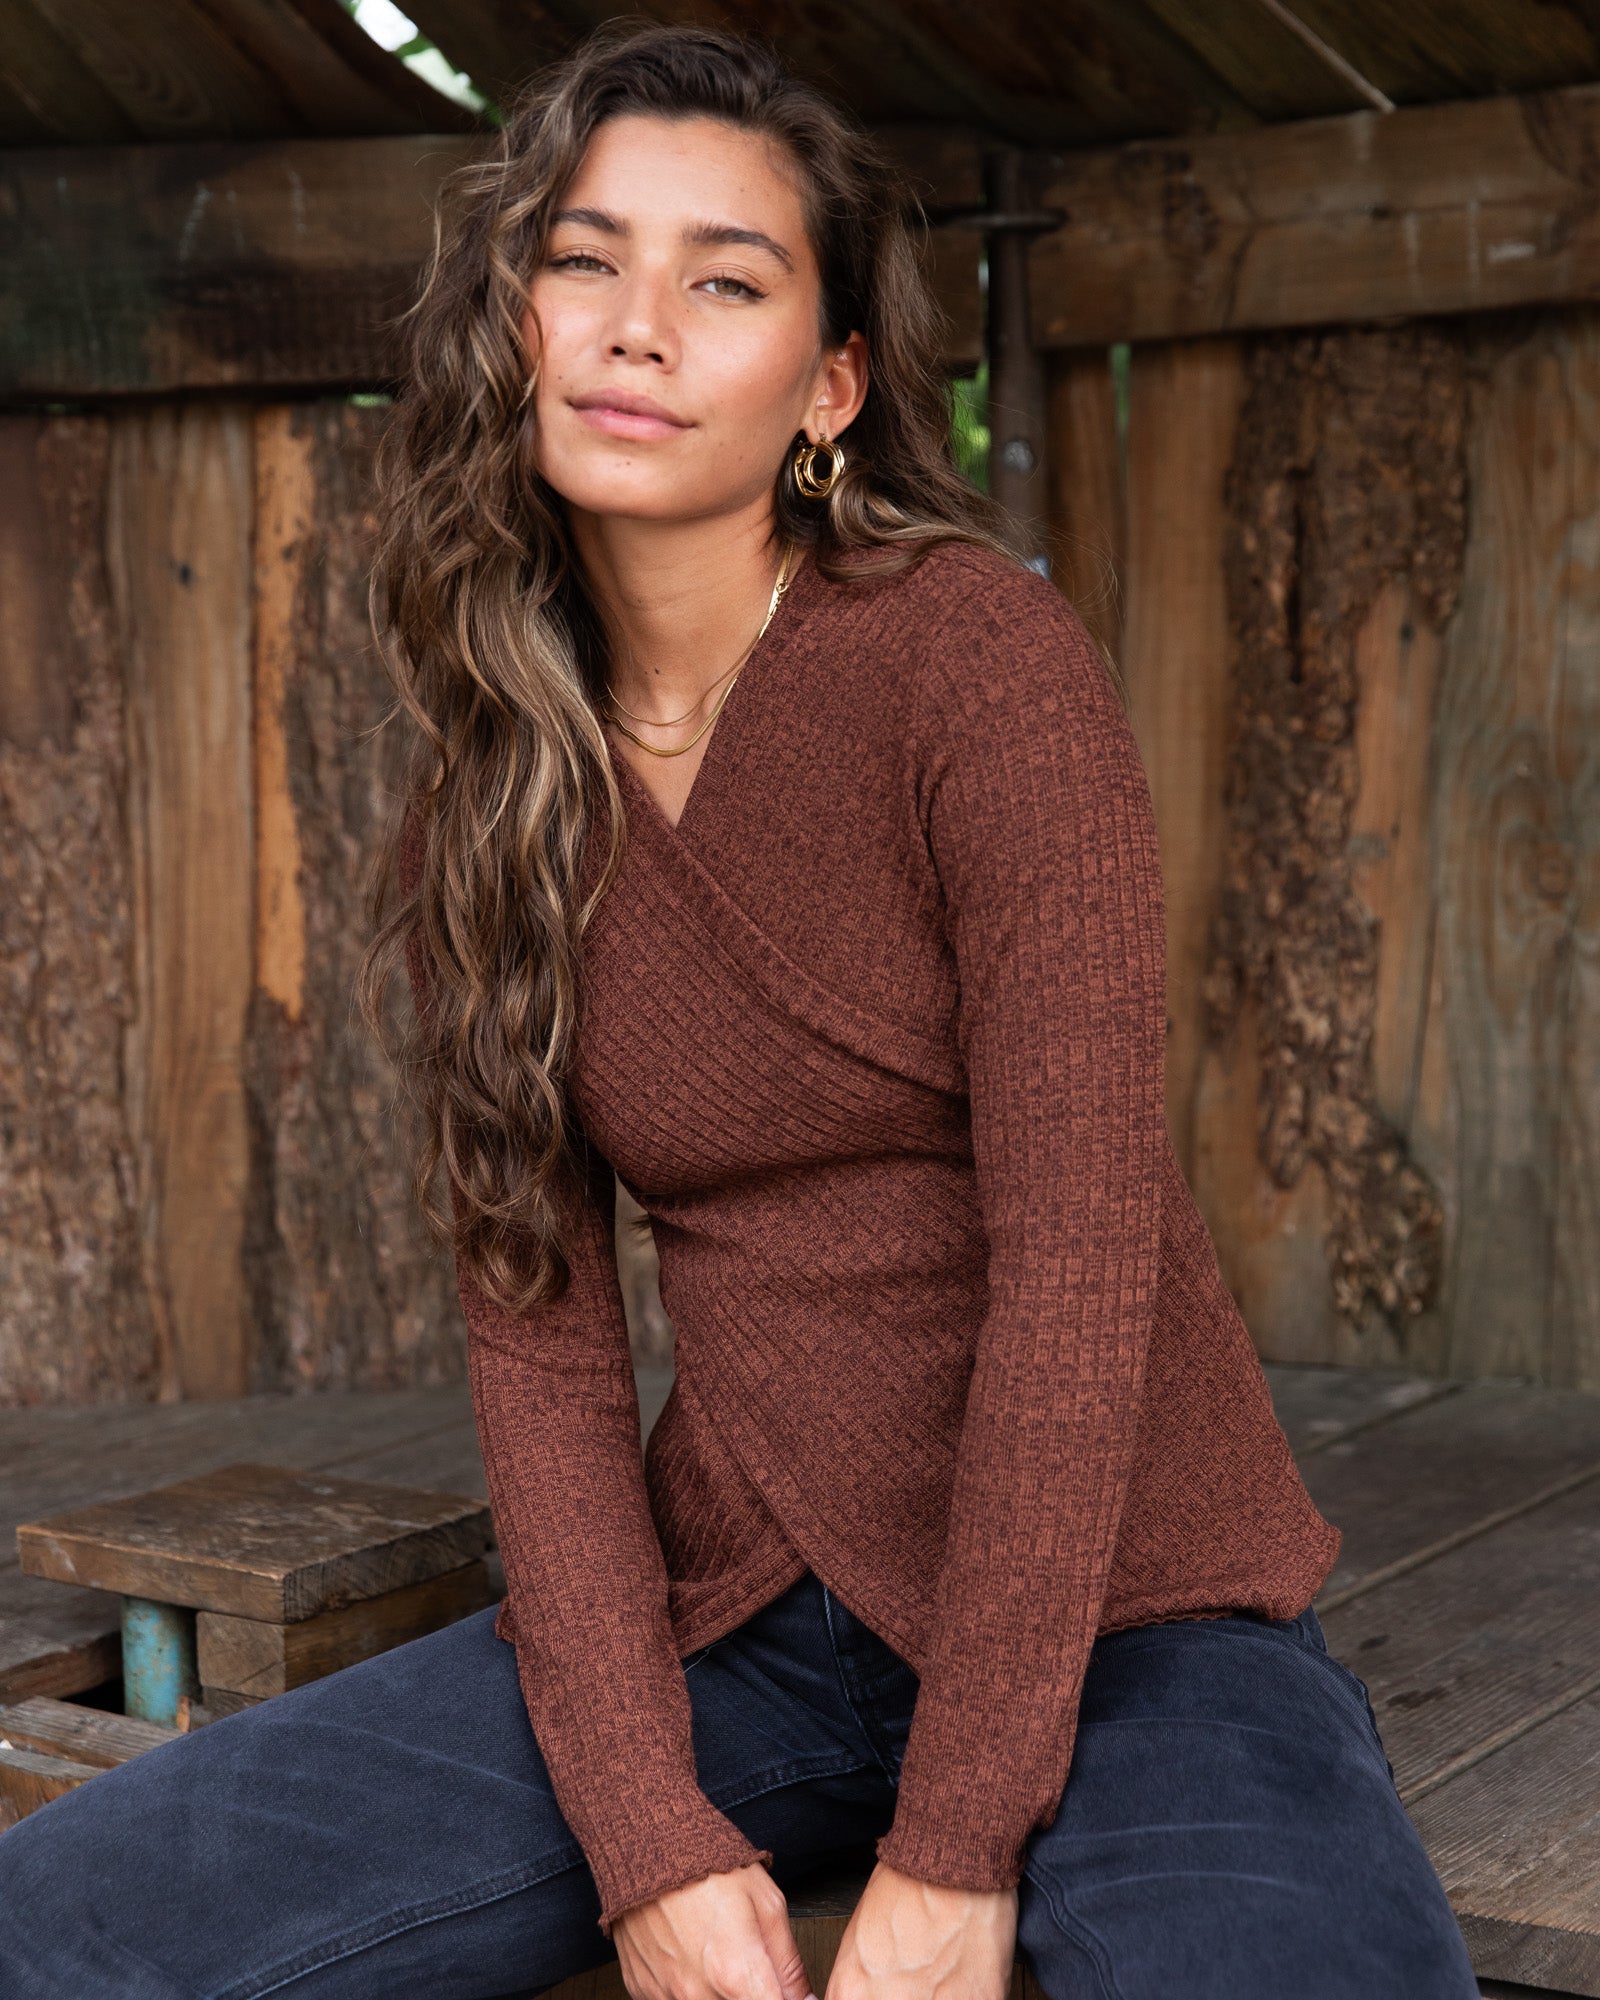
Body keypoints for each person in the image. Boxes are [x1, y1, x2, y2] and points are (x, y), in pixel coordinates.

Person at [0, 22, 1479, 2000]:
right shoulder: (494, 792)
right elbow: (539, 1353)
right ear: (515, 317)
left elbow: (1077, 1266)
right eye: (584, 259)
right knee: (61, 1924)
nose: (636, 325)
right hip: (745, 1615)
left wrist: (952, 1845)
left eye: (724, 282)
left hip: (1132, 1610)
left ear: (829, 388)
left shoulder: (973, 664)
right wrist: (646, 1837)